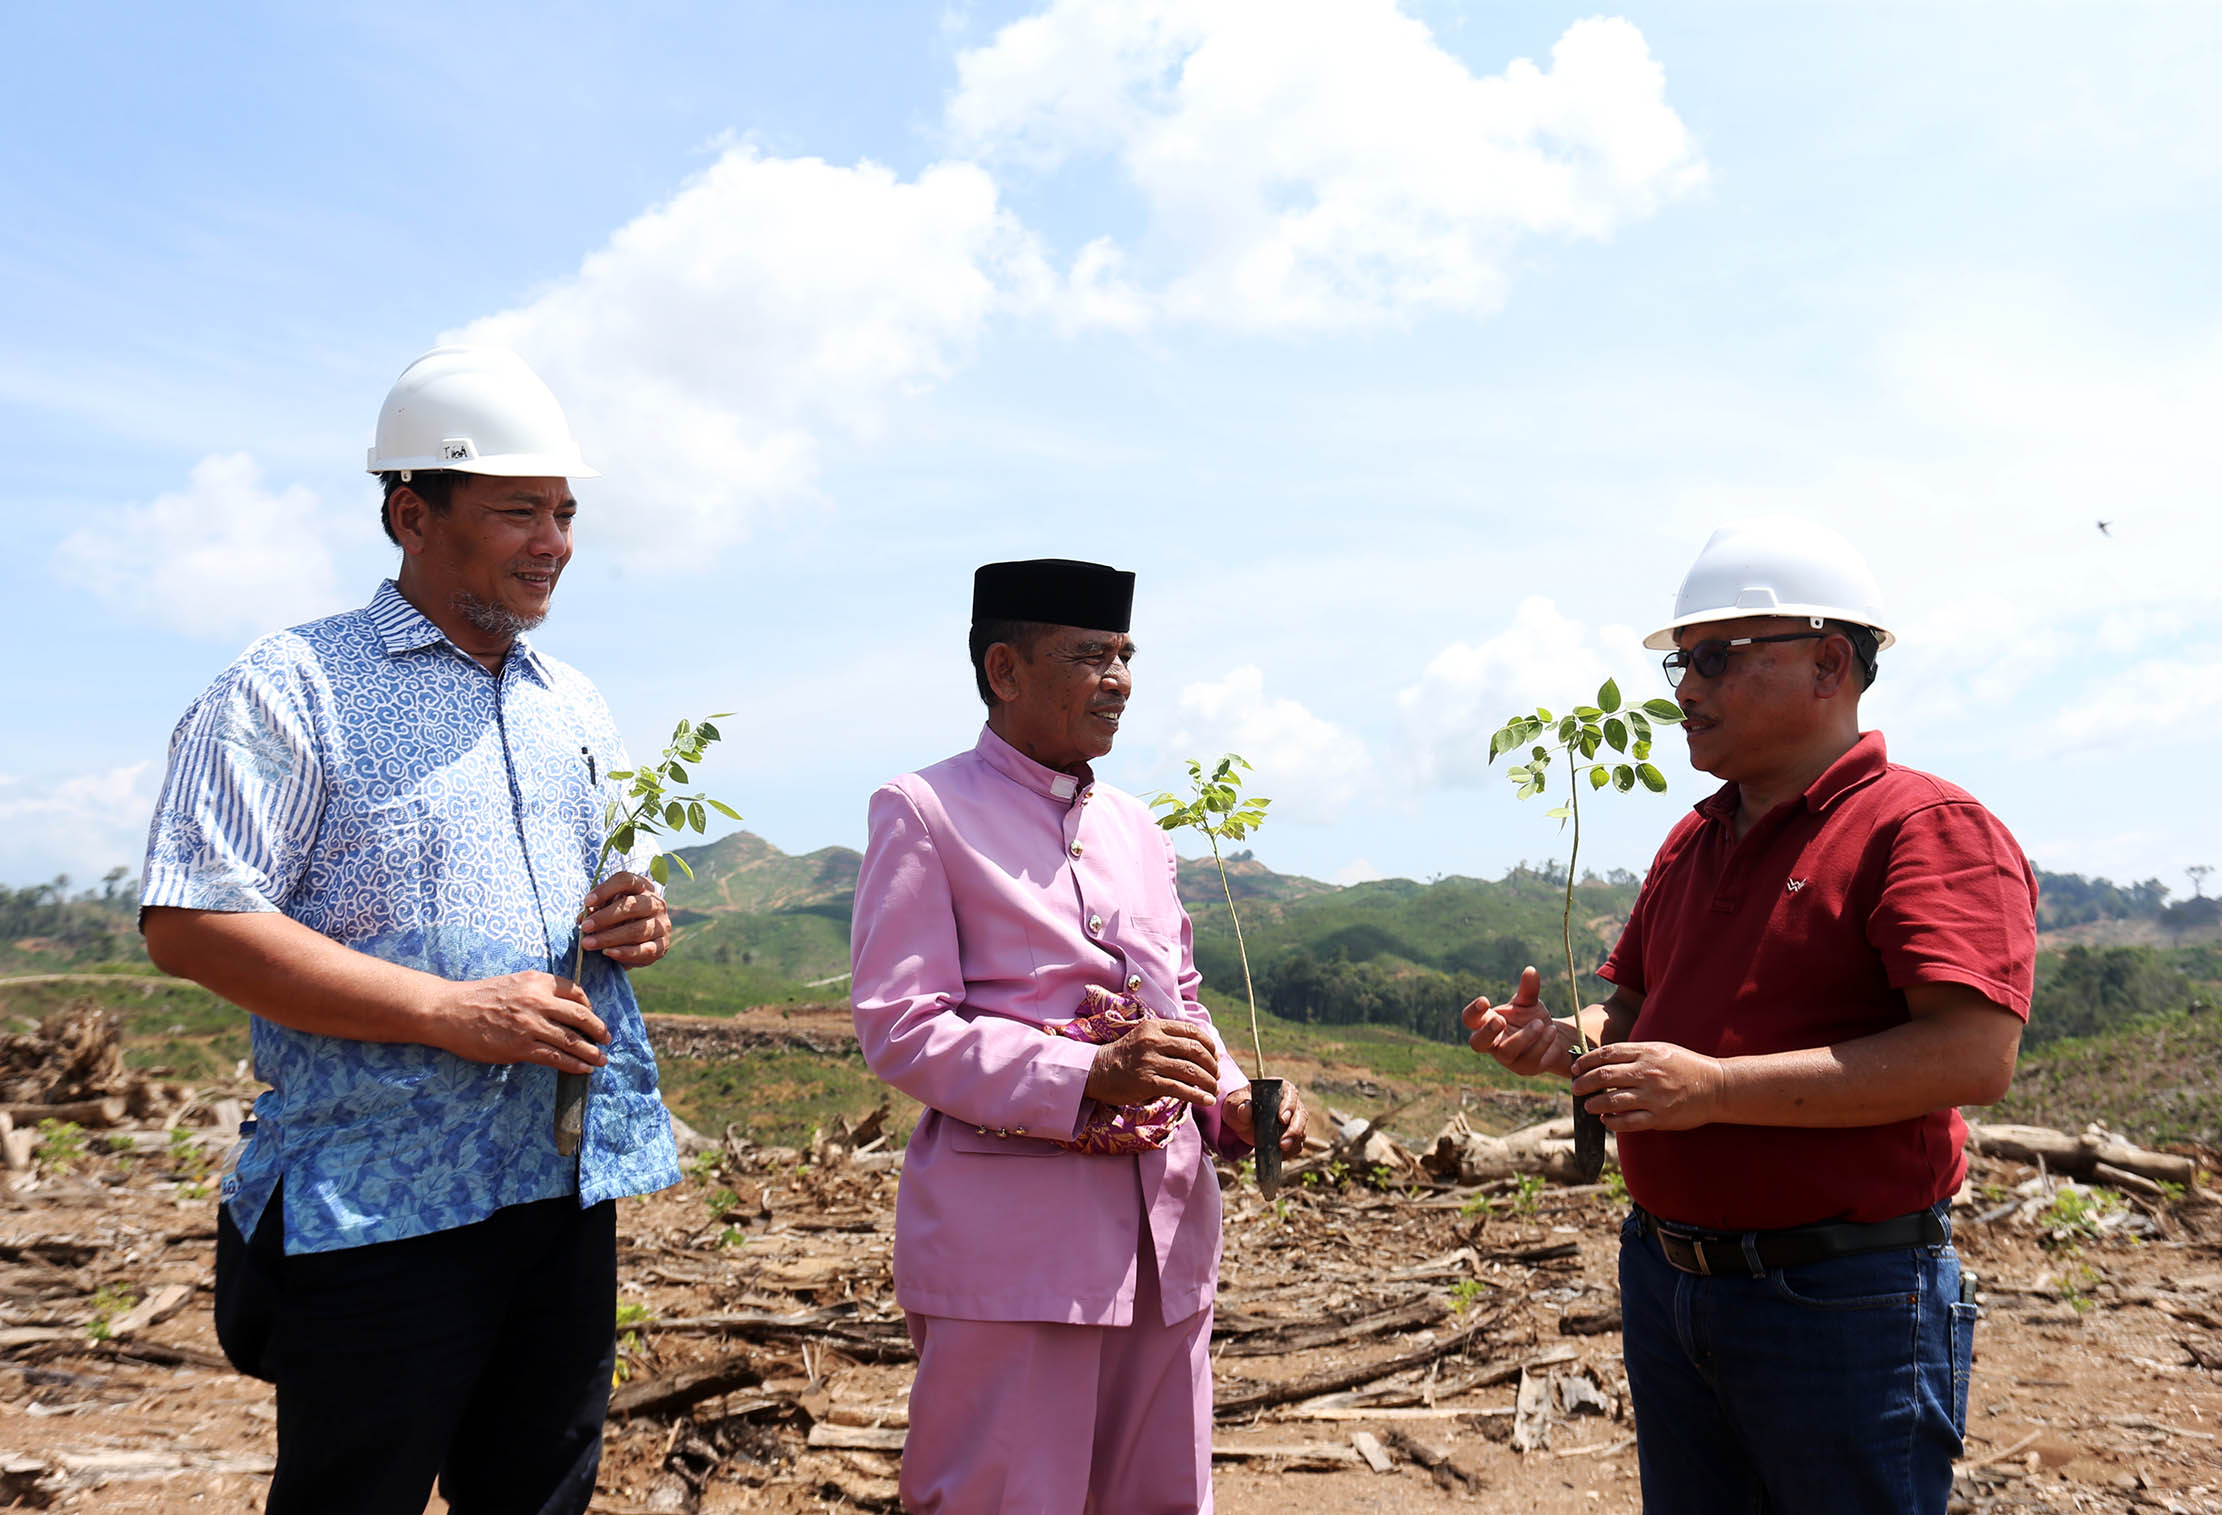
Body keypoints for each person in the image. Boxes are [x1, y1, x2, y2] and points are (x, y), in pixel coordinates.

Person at [139, 346, 682, 1515]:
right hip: (382, 1205)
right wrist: (446, 1012)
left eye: (566, 513)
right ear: (409, 514)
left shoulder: (570, 704)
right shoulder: (290, 687)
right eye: (518, 512)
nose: (554, 543)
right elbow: (191, 917)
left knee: (538, 1495)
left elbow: (606, 890)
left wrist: (631, 916)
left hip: (556, 1188)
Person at [1465, 517, 2035, 1514]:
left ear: (1826, 663)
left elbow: (1969, 1056)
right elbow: (1635, 1026)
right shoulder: (1694, 840)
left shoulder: (1920, 827)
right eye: (1682, 663)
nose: (1684, 689)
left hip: (1837, 1299)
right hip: (1670, 1278)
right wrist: (1567, 1050)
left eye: (1714, 660)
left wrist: (1716, 1089)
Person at [849, 558, 1309, 1515]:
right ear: (1005, 669)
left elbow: (1179, 996)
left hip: (1165, 1238)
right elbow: (901, 1024)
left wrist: (1224, 1093)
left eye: (1127, 655)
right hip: (1014, 1252)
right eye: (1091, 655)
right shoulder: (925, 810)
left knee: (1161, 1499)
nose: (1120, 679)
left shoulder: (1139, 829)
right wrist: (1087, 1070)